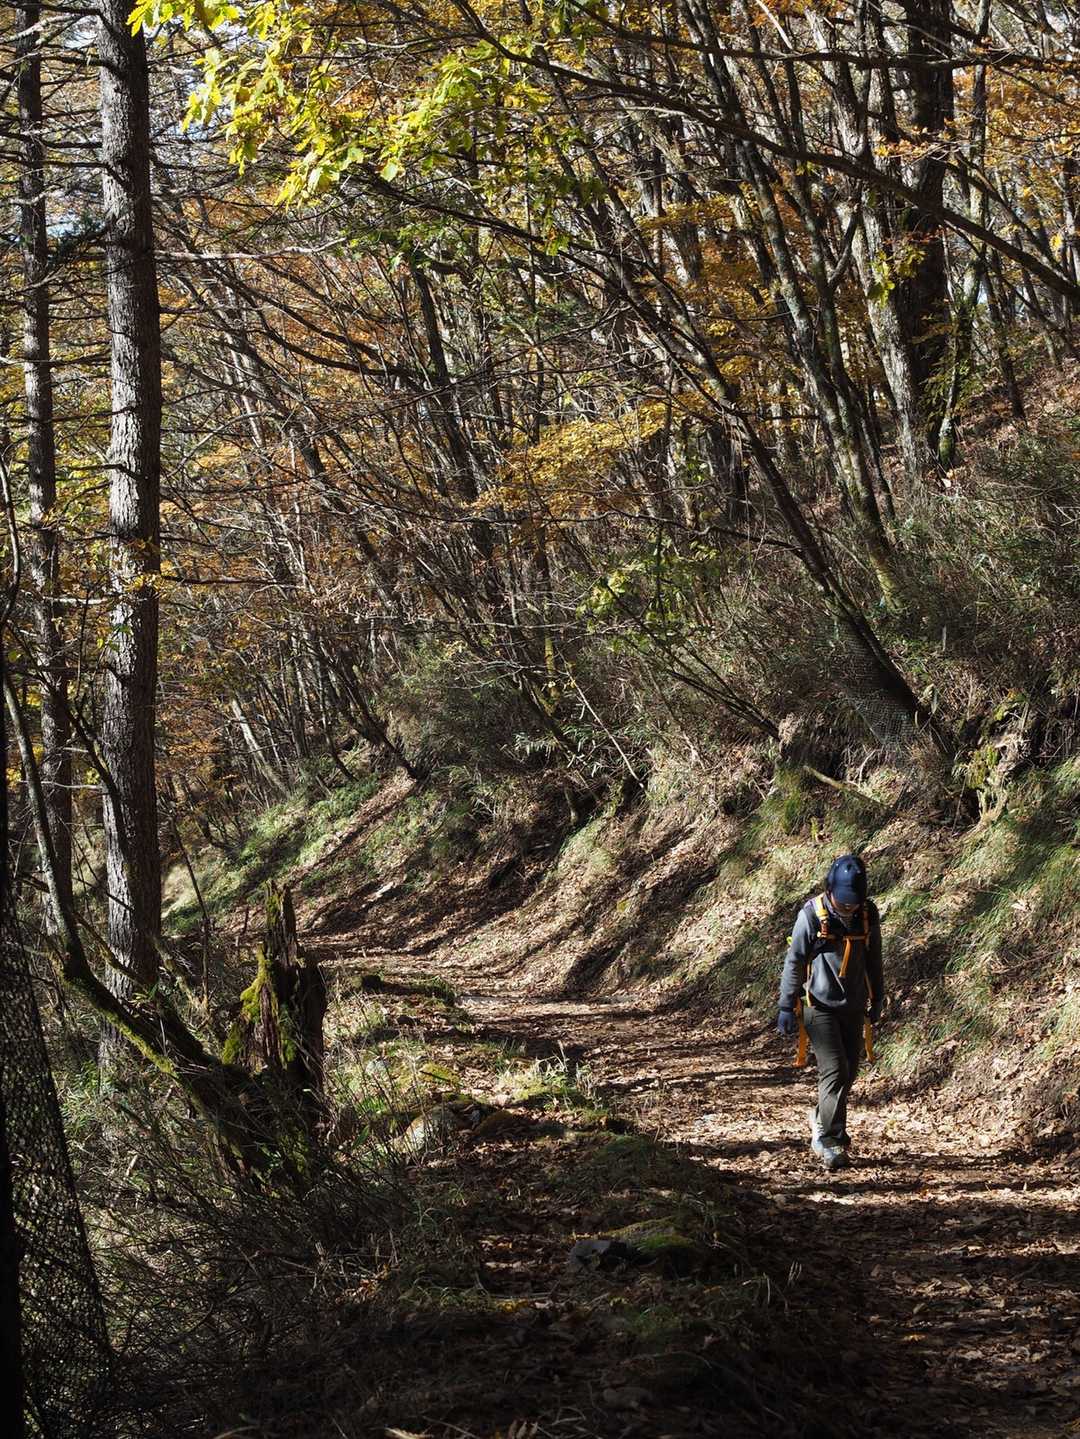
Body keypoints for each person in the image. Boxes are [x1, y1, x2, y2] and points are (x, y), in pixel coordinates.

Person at [777, 854, 884, 1171]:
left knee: (850, 1071)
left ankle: (821, 1117)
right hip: (818, 1005)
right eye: (843, 900)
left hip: (854, 1004)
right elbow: (795, 960)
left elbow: (874, 958)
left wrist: (878, 998)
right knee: (835, 1069)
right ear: (830, 889)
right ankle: (829, 1140)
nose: (848, 907)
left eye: (854, 901)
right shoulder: (812, 915)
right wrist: (786, 1004)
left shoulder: (868, 914)